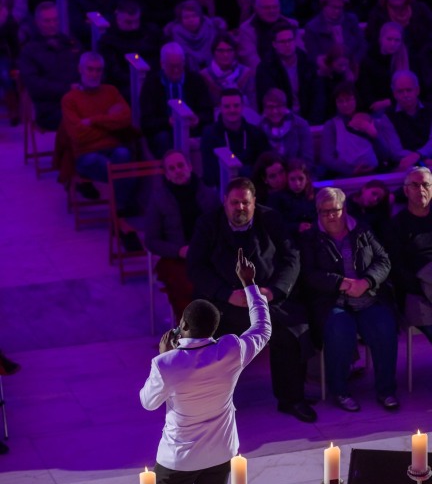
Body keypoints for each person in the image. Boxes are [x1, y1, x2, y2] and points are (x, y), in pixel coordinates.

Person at [140, 248, 271, 484]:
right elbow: (262, 328)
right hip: (219, 453)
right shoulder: (232, 349)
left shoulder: (167, 364)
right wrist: (249, 284)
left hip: (177, 459)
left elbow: (148, 402)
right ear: (214, 328)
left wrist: (162, 356)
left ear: (182, 324)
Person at [187, 177, 317, 423]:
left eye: (245, 203)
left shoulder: (271, 220)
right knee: (208, 340)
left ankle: (292, 399)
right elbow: (196, 267)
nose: (240, 208)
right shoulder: (207, 224)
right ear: (225, 202)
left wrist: (274, 291)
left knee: (291, 330)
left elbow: (291, 257)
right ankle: (212, 406)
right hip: (224, 302)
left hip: (266, 298)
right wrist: (227, 294)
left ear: (254, 202)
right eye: (234, 202)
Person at [300, 186, 399, 412]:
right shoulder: (311, 238)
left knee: (384, 326)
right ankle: (341, 391)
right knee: (339, 330)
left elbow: (383, 260)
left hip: (367, 296)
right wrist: (340, 283)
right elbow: (308, 273)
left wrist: (367, 282)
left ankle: (386, 390)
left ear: (344, 209)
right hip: (333, 301)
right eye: (324, 212)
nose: (330, 216)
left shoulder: (362, 230)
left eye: (334, 210)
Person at [61, 51, 142, 251]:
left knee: (124, 157)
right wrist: (107, 120)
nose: (94, 74)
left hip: (114, 148)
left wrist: (93, 121)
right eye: (90, 69)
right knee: (112, 168)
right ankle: (121, 215)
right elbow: (78, 135)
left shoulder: (111, 91)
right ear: (80, 70)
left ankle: (118, 214)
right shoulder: (70, 99)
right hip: (86, 153)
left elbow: (124, 118)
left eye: (98, 70)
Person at [144, 150, 220, 321]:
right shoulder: (158, 200)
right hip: (176, 257)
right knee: (187, 287)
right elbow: (151, 241)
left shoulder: (208, 194)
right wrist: (179, 250)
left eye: (180, 165)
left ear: (190, 167)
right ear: (167, 174)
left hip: (207, 253)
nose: (178, 171)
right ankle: (193, 337)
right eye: (172, 168)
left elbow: (221, 227)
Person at [320, 81, 411, 178]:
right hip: (344, 175)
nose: (345, 104)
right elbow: (327, 159)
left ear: (356, 99)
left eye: (349, 100)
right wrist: (351, 170)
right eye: (340, 101)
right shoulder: (331, 125)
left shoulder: (369, 120)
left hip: (374, 172)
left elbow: (385, 155)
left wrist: (375, 135)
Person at [140, 42, 213, 158]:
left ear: (184, 63)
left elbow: (209, 112)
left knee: (209, 133)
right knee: (163, 138)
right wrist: (167, 122)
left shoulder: (196, 80)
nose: (175, 70)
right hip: (164, 130)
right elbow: (146, 122)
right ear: (162, 64)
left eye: (179, 66)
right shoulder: (151, 84)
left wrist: (197, 119)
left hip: (193, 129)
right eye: (171, 66)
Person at [387, 166, 432, 344]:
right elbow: (397, 268)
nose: (421, 189)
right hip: (417, 292)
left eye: (426, 185)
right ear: (406, 190)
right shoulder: (396, 225)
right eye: (415, 185)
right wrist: (423, 288)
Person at [19, 1, 81, 130]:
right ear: (37, 22)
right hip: (50, 108)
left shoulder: (69, 43)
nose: (52, 25)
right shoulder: (29, 50)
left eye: (55, 20)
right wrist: (67, 88)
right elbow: (35, 86)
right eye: (47, 21)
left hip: (76, 99)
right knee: (81, 119)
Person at [200, 87, 270, 188]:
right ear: (220, 108)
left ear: (242, 107)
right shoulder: (210, 135)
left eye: (236, 106)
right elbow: (210, 171)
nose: (232, 110)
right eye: (227, 106)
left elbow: (263, 163)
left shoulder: (255, 133)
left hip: (252, 186)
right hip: (222, 188)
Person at [255, 21, 324, 121]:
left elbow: (319, 97)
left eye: (290, 40)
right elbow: (269, 100)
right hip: (280, 120)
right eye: (282, 42)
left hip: (309, 120)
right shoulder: (265, 68)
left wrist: (312, 122)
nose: (287, 45)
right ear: (274, 44)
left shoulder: (308, 63)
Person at [303, 0, 366, 66]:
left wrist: (354, 63)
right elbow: (313, 56)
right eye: (334, 7)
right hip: (327, 71)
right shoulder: (312, 28)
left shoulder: (351, 20)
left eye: (340, 8)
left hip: (353, 66)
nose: (337, 11)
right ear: (324, 6)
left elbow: (362, 44)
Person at [237, 0, 296, 73]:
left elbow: (300, 55)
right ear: (256, 8)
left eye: (275, 7)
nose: (272, 11)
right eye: (266, 8)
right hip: (261, 76)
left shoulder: (291, 25)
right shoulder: (246, 30)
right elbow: (251, 61)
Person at [199, 32, 256, 110]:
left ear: (235, 52)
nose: (225, 54)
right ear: (213, 52)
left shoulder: (246, 73)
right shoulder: (204, 75)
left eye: (229, 50)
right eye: (220, 51)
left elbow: (252, 103)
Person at [387, 70, 432, 167]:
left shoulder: (430, 109)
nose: (405, 95)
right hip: (405, 166)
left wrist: (418, 155)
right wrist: (422, 159)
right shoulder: (387, 116)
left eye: (409, 90)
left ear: (417, 90)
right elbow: (395, 152)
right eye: (400, 91)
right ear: (394, 94)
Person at [259, 88, 313, 168]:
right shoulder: (259, 128)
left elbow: (308, 160)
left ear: (285, 107)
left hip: (296, 173)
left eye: (279, 106)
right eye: (270, 107)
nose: (275, 111)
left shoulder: (300, 125)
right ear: (265, 109)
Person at [164, 0, 223, 72]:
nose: (191, 20)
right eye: (186, 17)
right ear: (180, 19)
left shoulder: (210, 28)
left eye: (194, 16)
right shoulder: (176, 33)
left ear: (200, 17)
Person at [268, 158, 316, 242]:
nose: (297, 183)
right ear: (287, 179)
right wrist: (297, 227)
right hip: (289, 240)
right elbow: (275, 225)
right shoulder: (278, 198)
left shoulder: (314, 195)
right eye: (292, 179)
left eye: (301, 179)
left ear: (307, 179)